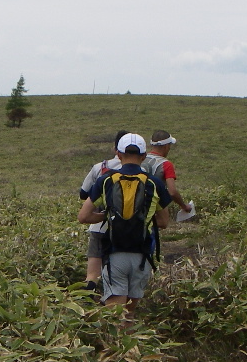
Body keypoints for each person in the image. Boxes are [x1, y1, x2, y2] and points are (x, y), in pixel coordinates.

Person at [78, 133, 171, 310]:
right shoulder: (154, 183)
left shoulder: (106, 180)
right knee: (129, 314)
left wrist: (107, 216)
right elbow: (164, 221)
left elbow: (83, 216)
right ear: (144, 156)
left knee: (114, 313)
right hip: (142, 255)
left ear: (118, 154)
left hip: (115, 254)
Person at [78, 130, 127, 292]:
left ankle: (88, 297)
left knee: (93, 272)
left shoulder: (100, 167)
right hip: (125, 230)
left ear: (115, 149)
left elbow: (83, 194)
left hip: (98, 225)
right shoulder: (137, 171)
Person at [142, 130, 193, 214]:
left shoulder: (142, 158)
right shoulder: (166, 164)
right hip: (153, 206)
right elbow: (172, 192)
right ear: (166, 146)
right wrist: (184, 206)